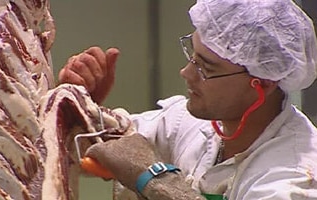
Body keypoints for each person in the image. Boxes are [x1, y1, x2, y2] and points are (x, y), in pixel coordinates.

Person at [59, 0, 317, 199]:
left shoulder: (295, 175)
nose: (187, 73)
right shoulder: (185, 122)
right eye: (192, 55)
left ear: (264, 83)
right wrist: (79, 107)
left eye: (207, 68)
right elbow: (86, 152)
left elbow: (138, 166)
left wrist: (157, 180)